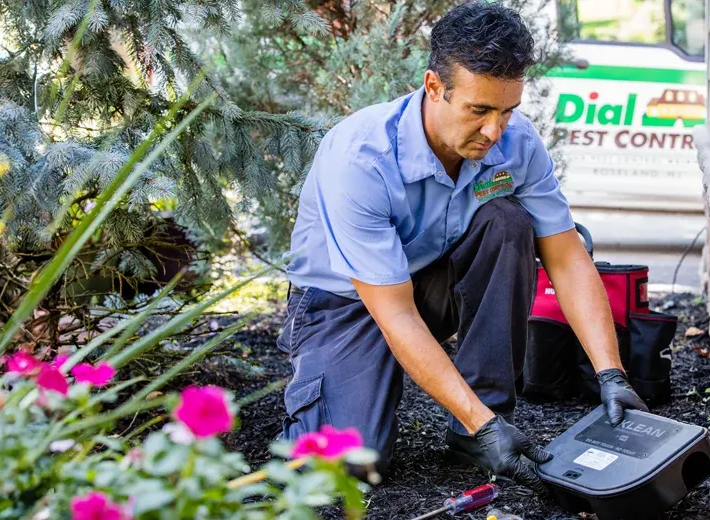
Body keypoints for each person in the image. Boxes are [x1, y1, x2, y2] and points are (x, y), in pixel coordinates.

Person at [277, 2, 648, 488]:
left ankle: (477, 426)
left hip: (424, 282)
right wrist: (487, 426)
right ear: (434, 87)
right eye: (479, 111)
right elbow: (395, 314)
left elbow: (566, 256)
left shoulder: (516, 144)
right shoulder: (361, 158)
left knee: (508, 221)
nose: (495, 131)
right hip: (343, 302)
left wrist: (612, 374)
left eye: (507, 111)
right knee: (346, 469)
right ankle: (472, 421)